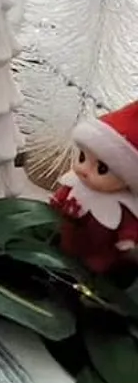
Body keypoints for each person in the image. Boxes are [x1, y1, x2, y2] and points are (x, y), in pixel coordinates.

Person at [49, 100, 138, 275]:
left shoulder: (124, 204)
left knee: (95, 266)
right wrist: (56, 201)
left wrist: (128, 238)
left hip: (99, 249)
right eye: (82, 157)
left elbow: (130, 224)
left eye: (101, 169)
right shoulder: (75, 183)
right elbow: (63, 195)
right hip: (65, 235)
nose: (84, 171)